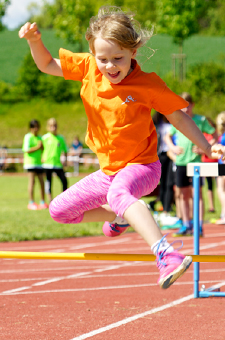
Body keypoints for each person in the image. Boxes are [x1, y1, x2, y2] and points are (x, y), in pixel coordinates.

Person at [19, 6, 225, 289]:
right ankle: (120, 215)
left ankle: (167, 254)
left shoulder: (147, 84)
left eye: (118, 58)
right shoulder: (89, 68)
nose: (110, 66)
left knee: (118, 191)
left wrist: (208, 145)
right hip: (108, 172)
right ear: (92, 54)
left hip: (143, 167)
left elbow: (178, 116)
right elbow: (46, 65)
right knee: (59, 210)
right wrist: (34, 41)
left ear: (133, 52)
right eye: (102, 59)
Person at [165, 93, 217, 237]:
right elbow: (167, 136)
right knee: (182, 195)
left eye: (188, 105)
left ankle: (199, 225)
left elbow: (214, 134)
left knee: (197, 195)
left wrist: (205, 148)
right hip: (181, 162)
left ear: (193, 105)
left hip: (196, 163)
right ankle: (186, 224)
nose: (185, 109)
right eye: (182, 106)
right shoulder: (178, 119)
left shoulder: (200, 120)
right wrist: (173, 148)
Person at [151, 111, 179, 226]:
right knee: (162, 184)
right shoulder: (156, 123)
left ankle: (167, 209)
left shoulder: (174, 123)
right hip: (160, 155)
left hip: (171, 155)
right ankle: (163, 209)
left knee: (169, 183)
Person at [22, 119, 48, 210]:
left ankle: (42, 201)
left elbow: (42, 149)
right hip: (30, 163)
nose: (36, 128)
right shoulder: (28, 137)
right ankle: (31, 202)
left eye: (37, 126)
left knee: (42, 182)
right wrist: (37, 147)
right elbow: (26, 150)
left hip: (39, 163)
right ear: (30, 128)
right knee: (32, 182)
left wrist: (42, 148)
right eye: (34, 127)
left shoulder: (40, 137)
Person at [42, 118, 68, 203]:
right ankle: (50, 200)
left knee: (64, 181)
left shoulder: (60, 138)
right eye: (51, 126)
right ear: (48, 127)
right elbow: (40, 148)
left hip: (57, 164)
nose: (53, 128)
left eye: (55, 126)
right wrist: (42, 157)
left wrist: (65, 160)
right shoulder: (44, 138)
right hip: (47, 164)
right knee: (48, 182)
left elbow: (65, 150)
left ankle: (64, 199)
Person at [201, 117, 217, 213]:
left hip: (215, 161)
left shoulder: (215, 135)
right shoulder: (203, 135)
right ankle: (211, 206)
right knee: (209, 185)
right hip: (206, 162)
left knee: (219, 186)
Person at [215, 112, 225, 224]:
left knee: (221, 189)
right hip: (222, 163)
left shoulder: (223, 137)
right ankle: (223, 213)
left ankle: (224, 214)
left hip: (222, 164)